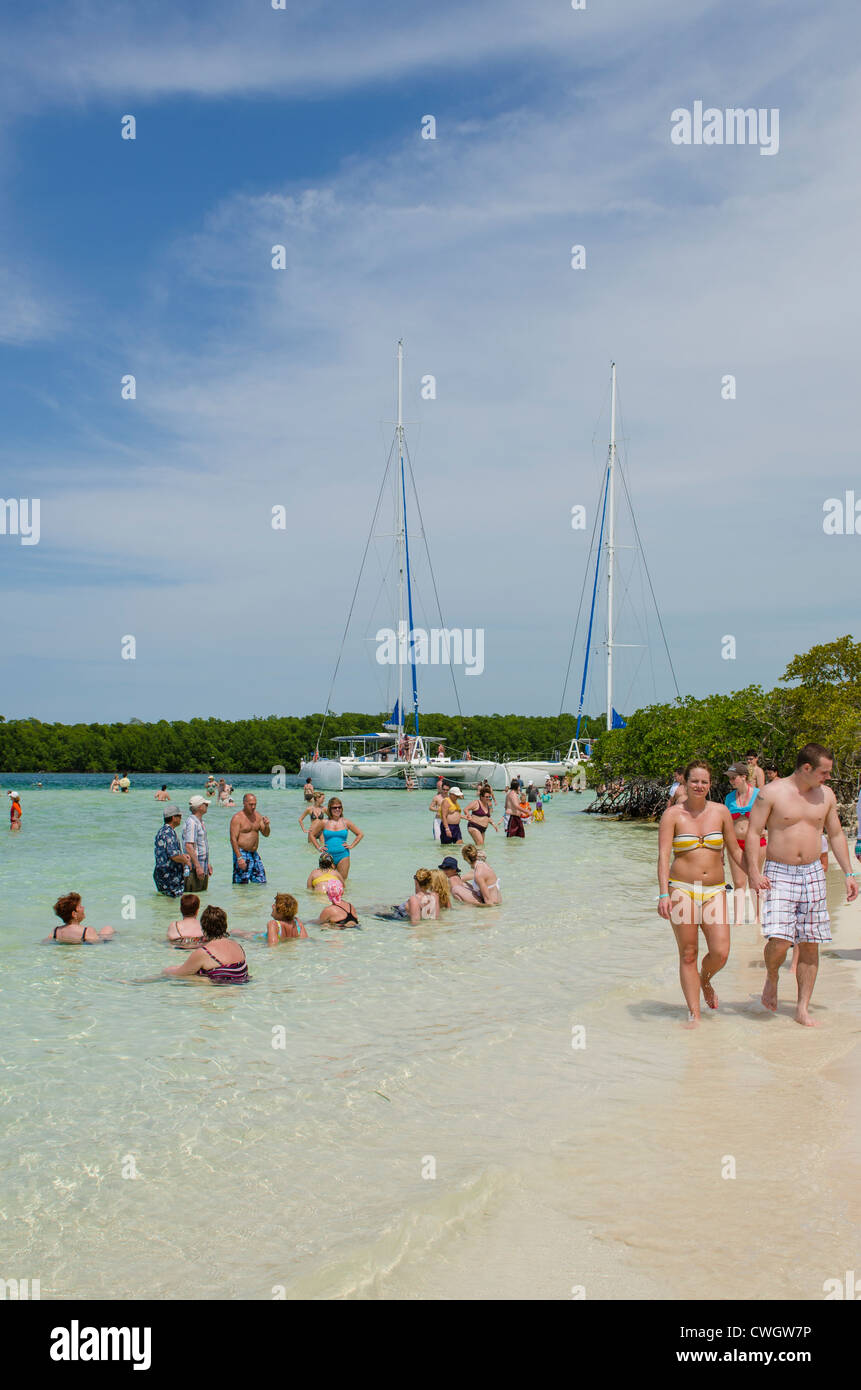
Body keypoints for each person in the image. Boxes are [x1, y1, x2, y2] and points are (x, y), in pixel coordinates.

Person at [745, 743, 858, 1027]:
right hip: (778, 872)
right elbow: (753, 832)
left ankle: (802, 1008)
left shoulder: (826, 796)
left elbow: (834, 835)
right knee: (780, 941)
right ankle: (772, 975)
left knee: (810, 944)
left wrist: (848, 874)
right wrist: (753, 873)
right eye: (824, 772)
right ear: (806, 768)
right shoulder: (772, 793)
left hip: (813, 873)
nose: (828, 777)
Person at [657, 761, 744, 1026]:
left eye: (704, 782)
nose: (699, 786)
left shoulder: (720, 812)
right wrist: (663, 894)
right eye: (694, 781)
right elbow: (662, 858)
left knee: (721, 951)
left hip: (715, 890)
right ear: (685, 782)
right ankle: (694, 1014)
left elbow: (734, 850)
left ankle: (705, 980)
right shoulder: (672, 815)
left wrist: (753, 878)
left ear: (710, 784)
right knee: (688, 953)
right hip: (681, 889)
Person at [163, 905, 249, 984]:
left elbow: (179, 974)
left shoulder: (204, 952)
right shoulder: (237, 945)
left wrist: (167, 971)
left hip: (220, 992)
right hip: (241, 989)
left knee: (168, 974)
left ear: (203, 928)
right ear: (224, 925)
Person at [724, 762, 766, 918]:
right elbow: (725, 824)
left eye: (734, 778)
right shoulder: (729, 798)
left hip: (756, 843)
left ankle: (759, 919)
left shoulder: (759, 794)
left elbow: (772, 815)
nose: (731, 781)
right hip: (735, 844)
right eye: (729, 779)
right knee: (738, 884)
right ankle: (739, 921)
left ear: (744, 777)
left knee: (755, 881)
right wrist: (721, 850)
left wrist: (769, 832)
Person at [310, 798, 363, 881]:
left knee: (342, 881)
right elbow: (312, 835)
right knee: (326, 880)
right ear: (330, 809)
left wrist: (351, 846)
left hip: (343, 856)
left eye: (339, 807)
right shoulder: (324, 822)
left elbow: (360, 834)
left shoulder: (346, 822)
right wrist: (318, 847)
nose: (337, 809)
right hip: (327, 856)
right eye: (334, 807)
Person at [230, 793, 271, 884]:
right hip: (242, 853)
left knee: (261, 882)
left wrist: (267, 825)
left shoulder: (258, 816)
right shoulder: (237, 818)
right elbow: (233, 839)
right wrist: (239, 858)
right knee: (241, 884)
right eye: (250, 804)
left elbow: (266, 834)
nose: (253, 807)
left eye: (255, 804)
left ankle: (256, 898)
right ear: (244, 803)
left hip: (254, 854)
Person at [153, 804, 191, 897]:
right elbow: (174, 855)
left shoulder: (162, 831)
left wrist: (183, 856)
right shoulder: (169, 833)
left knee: (166, 903)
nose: (181, 818)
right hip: (170, 876)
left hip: (161, 874)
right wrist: (186, 861)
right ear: (174, 818)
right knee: (172, 902)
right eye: (180, 816)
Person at [50, 892, 115, 943]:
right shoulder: (87, 931)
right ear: (74, 914)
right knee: (108, 928)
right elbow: (98, 944)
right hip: (87, 940)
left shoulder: (56, 931)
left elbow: (45, 942)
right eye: (80, 907)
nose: (83, 908)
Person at [183, 795, 213, 892]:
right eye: (205, 804)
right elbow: (189, 846)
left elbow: (200, 845)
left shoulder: (199, 822)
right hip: (194, 870)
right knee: (193, 899)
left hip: (201, 867)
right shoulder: (192, 823)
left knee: (202, 897)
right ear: (200, 807)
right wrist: (198, 867)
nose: (207, 806)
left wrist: (207, 863)